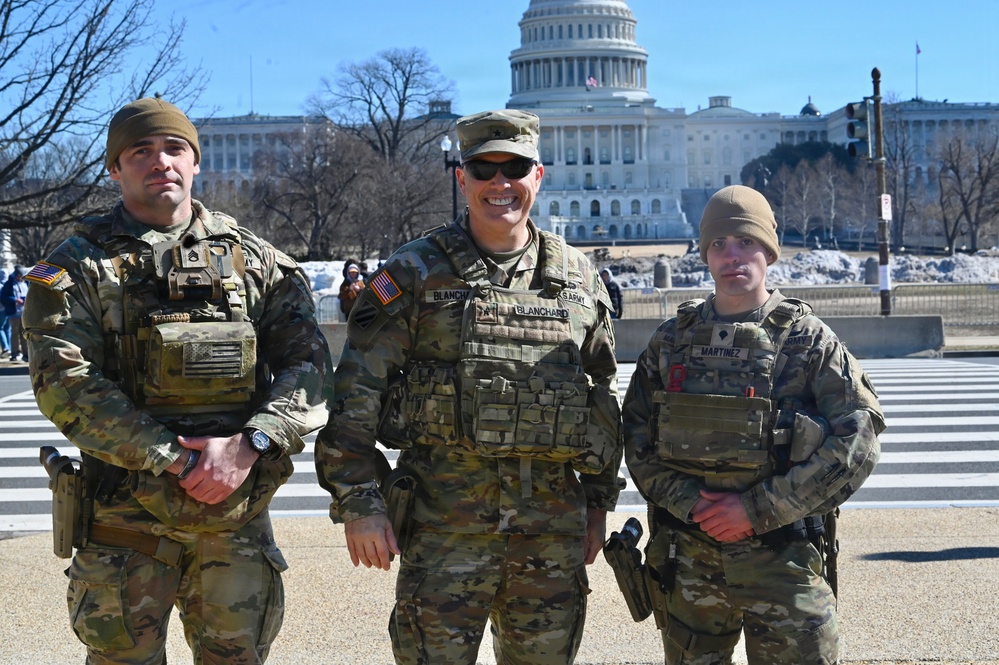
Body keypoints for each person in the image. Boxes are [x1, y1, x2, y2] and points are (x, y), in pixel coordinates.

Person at [23, 97, 332, 664]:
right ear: (115, 168)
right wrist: (177, 459)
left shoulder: (257, 262)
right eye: (140, 151)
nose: (160, 161)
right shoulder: (76, 268)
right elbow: (66, 385)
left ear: (195, 162)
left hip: (234, 525)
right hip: (124, 528)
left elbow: (309, 370)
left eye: (174, 149)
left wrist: (251, 443)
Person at [315, 109, 623, 664]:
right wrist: (360, 501)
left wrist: (597, 505)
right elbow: (356, 392)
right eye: (484, 169)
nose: (499, 184)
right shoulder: (414, 271)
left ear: (538, 175)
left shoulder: (577, 276)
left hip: (549, 535)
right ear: (462, 178)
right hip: (443, 531)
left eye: (515, 167)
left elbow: (600, 398)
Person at [622, 185, 884, 664]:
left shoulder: (808, 339)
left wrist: (757, 509)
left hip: (782, 560)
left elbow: (859, 439)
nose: (732, 256)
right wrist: (693, 504)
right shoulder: (671, 341)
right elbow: (637, 435)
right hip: (690, 560)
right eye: (718, 245)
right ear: (704, 255)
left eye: (745, 242)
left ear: (768, 250)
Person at [1, 265, 29, 361]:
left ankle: (26, 353)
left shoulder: (26, 283)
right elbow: (4, 297)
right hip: (14, 313)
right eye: (18, 276)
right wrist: (14, 300)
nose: (19, 278)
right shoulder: (9, 284)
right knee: (14, 333)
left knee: (24, 334)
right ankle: (14, 353)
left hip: (24, 312)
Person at [0, 269, 10, 357]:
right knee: (8, 330)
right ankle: (9, 349)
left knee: (0, 329)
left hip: (1, 310)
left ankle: (5, 347)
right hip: (9, 310)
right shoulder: (9, 284)